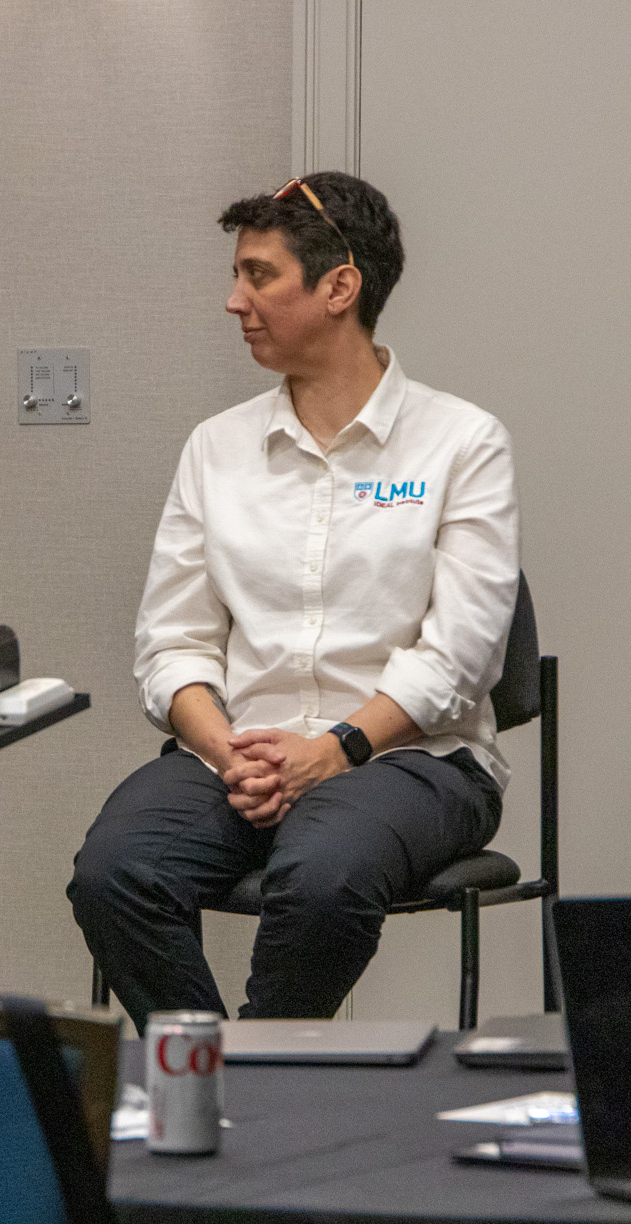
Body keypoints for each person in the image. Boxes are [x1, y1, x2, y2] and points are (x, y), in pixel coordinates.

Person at [69, 172, 520, 1035]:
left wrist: (337, 749)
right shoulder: (218, 447)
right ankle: (217, 1074)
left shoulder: (463, 441)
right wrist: (226, 749)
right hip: (238, 754)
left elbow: (464, 652)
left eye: (258, 275)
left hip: (410, 760)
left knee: (322, 875)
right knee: (114, 872)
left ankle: (256, 1085)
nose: (233, 300)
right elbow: (172, 643)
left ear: (339, 287)